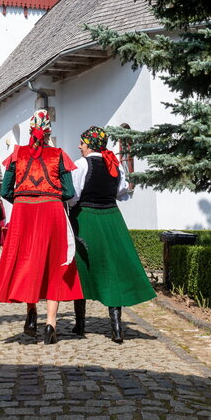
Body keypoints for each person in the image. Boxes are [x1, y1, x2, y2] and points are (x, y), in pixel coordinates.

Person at [0, 110, 82, 345]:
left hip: (24, 211)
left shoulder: (17, 154)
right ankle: (51, 324)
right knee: (54, 264)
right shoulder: (59, 155)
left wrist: (24, 200)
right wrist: (50, 197)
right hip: (52, 210)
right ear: (49, 132)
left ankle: (31, 313)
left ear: (30, 131)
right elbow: (69, 192)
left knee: (26, 261)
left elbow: (5, 191)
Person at [69, 126, 155, 343]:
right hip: (111, 218)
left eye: (82, 143)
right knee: (113, 269)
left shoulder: (81, 165)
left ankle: (80, 325)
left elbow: (73, 196)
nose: (79, 146)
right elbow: (121, 193)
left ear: (90, 144)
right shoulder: (114, 164)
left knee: (82, 269)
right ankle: (116, 327)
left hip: (86, 217)